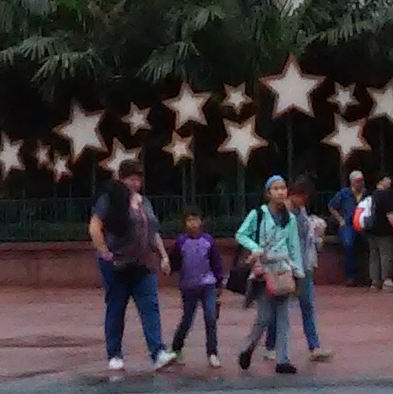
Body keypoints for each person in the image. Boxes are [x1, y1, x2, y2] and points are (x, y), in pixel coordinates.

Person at [88, 160, 173, 374]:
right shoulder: (110, 199)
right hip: (117, 263)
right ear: (122, 179)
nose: (136, 183)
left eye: (138, 179)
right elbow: (95, 226)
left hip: (143, 263)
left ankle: (157, 352)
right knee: (116, 308)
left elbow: (153, 232)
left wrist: (163, 255)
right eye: (131, 179)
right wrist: (103, 251)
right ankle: (114, 354)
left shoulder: (145, 202)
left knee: (150, 307)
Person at [235, 176, 309, 374]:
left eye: (283, 188)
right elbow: (241, 234)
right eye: (275, 188)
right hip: (264, 271)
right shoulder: (258, 214)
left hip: (283, 269)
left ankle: (283, 359)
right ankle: (248, 347)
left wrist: (298, 271)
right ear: (268, 193)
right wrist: (255, 248)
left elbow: (293, 245)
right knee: (264, 316)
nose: (280, 192)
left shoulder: (289, 218)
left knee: (284, 316)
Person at [282, 179, 335, 358]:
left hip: (304, 264)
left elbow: (307, 237)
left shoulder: (302, 212)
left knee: (307, 306)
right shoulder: (284, 212)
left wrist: (316, 234)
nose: (302, 202)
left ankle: (314, 346)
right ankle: (272, 345)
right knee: (280, 309)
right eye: (301, 197)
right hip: (288, 265)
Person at [165, 211, 223, 367]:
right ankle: (176, 348)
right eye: (189, 220)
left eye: (195, 220)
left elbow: (216, 262)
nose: (193, 224)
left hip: (207, 284)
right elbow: (175, 261)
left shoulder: (208, 241)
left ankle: (212, 352)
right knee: (187, 319)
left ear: (201, 222)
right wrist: (168, 267)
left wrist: (219, 283)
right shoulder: (181, 242)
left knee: (210, 318)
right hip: (188, 286)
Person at [366, 170, 393, 292]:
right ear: (382, 181)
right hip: (384, 230)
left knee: (374, 256)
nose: (390, 181)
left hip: (371, 229)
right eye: (388, 179)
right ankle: (387, 281)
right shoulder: (386, 195)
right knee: (386, 255)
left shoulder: (371, 195)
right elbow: (390, 214)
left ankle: (374, 282)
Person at [329, 169, 369, 288]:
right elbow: (332, 206)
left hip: (363, 224)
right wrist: (340, 220)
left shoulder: (366, 194)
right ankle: (350, 276)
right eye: (357, 181)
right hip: (348, 224)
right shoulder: (344, 193)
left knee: (369, 244)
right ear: (352, 182)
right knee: (348, 244)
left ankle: (369, 276)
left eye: (361, 181)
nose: (360, 183)